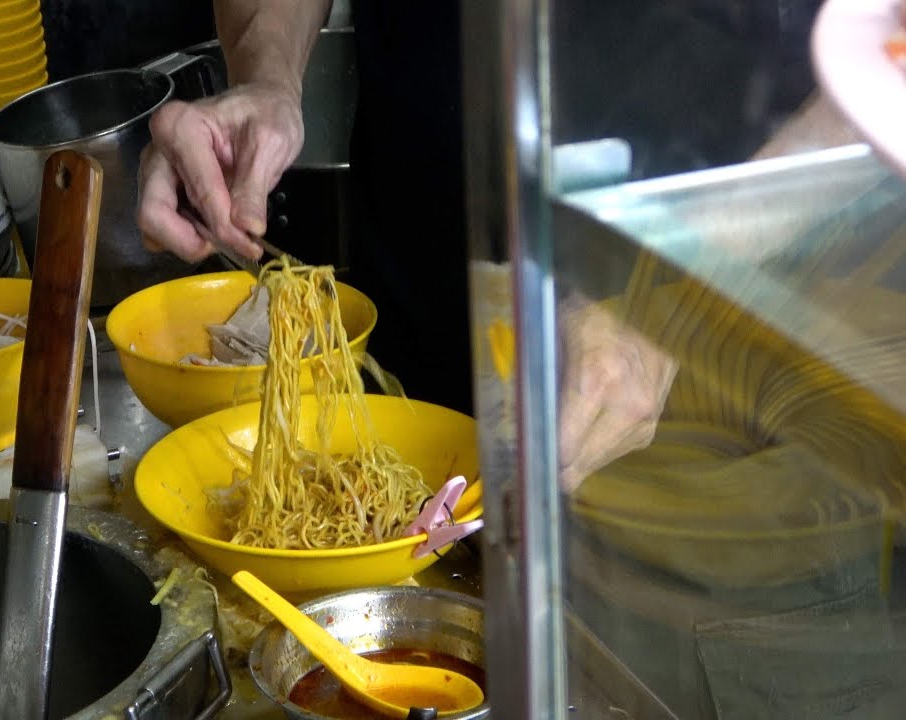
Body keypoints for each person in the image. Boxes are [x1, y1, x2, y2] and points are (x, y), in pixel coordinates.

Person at [135, 0, 678, 488]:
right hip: (409, 362)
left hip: (682, 374)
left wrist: (661, 317)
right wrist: (267, 81)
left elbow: (766, 111)